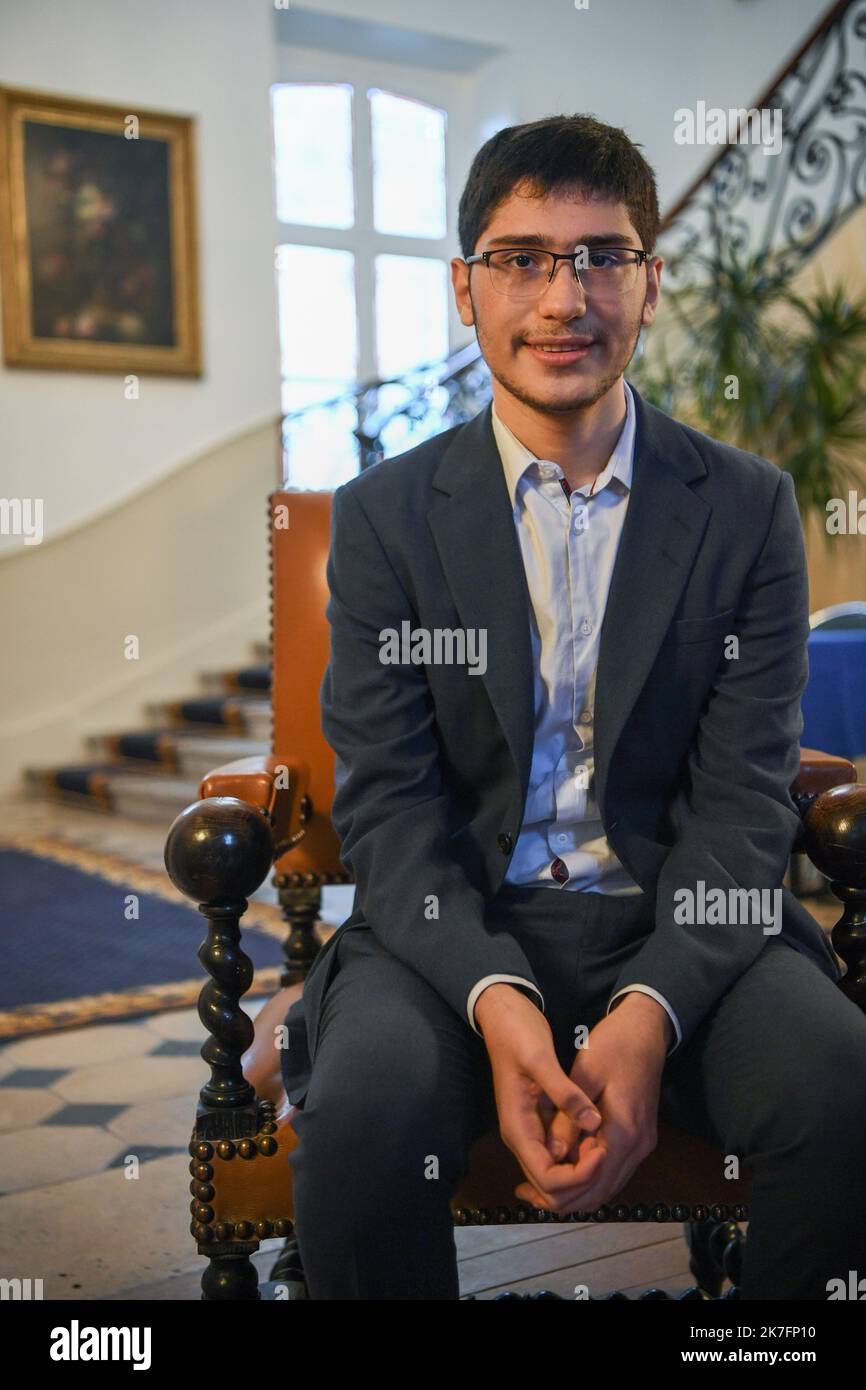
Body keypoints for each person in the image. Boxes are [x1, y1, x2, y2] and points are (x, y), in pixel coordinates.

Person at [279, 113, 866, 1300]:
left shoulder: (745, 507)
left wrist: (647, 1013)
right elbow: (390, 808)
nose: (565, 296)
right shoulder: (386, 518)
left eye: (602, 256)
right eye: (522, 257)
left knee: (838, 1090)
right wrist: (500, 1006)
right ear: (464, 287)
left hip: (687, 916)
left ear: (650, 284)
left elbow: (745, 802)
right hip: (449, 923)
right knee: (365, 1117)